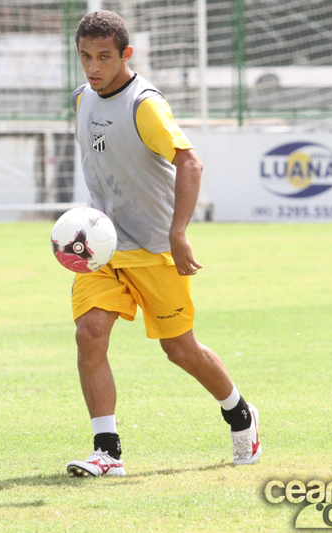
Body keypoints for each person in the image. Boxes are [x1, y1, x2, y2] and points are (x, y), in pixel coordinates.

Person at [65, 11, 261, 477]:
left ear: (126, 55)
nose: (94, 67)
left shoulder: (144, 105)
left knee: (180, 350)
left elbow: (189, 164)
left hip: (154, 250)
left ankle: (239, 413)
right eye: (86, 57)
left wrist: (178, 233)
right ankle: (107, 451)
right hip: (103, 249)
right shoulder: (80, 99)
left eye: (105, 57)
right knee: (89, 333)